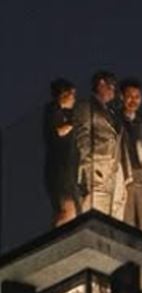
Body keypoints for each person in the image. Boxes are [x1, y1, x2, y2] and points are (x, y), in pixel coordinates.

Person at [73, 70, 127, 218]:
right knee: (95, 209)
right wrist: (88, 162)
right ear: (101, 84)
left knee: (112, 209)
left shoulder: (110, 112)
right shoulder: (86, 106)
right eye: (111, 87)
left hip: (112, 167)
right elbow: (82, 135)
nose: (113, 92)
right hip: (96, 165)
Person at [119, 78, 142, 234]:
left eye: (137, 97)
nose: (133, 100)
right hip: (123, 175)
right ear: (121, 97)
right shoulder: (115, 119)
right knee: (125, 220)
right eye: (129, 96)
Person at [42, 78, 79, 225]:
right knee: (66, 209)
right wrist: (72, 123)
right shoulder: (52, 110)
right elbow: (57, 131)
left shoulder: (66, 113)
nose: (74, 98)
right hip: (59, 171)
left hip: (68, 169)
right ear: (63, 94)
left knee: (71, 210)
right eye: (72, 94)